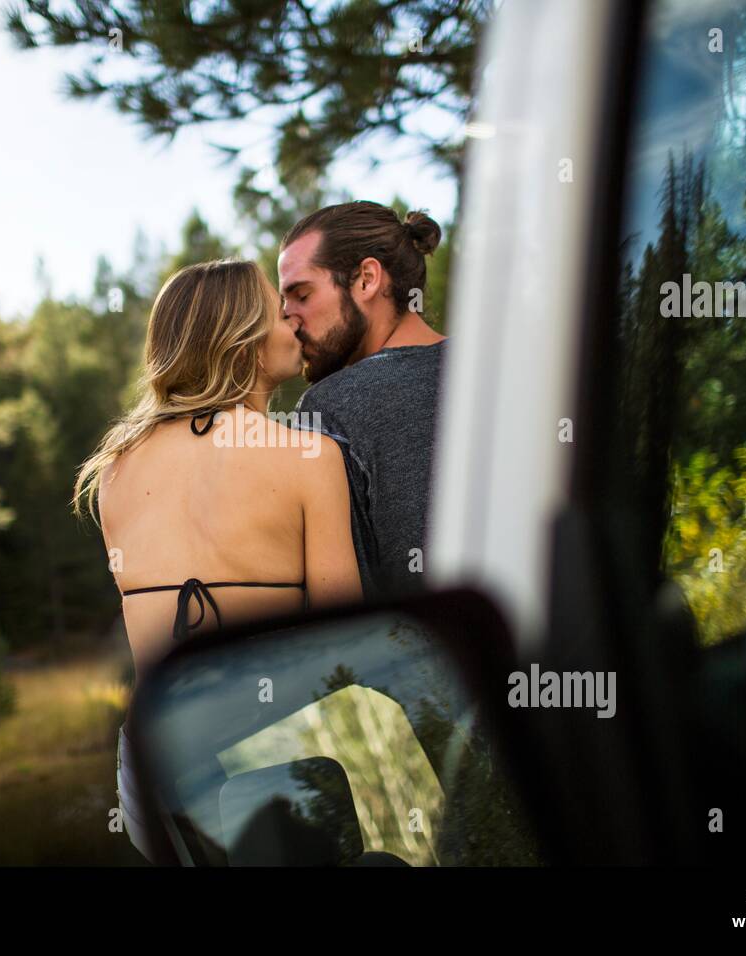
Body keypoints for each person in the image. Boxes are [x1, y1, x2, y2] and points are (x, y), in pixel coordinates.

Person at [73, 258, 363, 863]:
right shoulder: (310, 458)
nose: (291, 323)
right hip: (272, 746)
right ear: (245, 343)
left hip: (157, 761)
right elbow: (346, 644)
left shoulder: (114, 472)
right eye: (276, 312)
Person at [279, 201, 447, 600]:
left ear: (367, 279)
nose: (288, 318)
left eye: (301, 294)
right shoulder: (500, 370)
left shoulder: (330, 409)